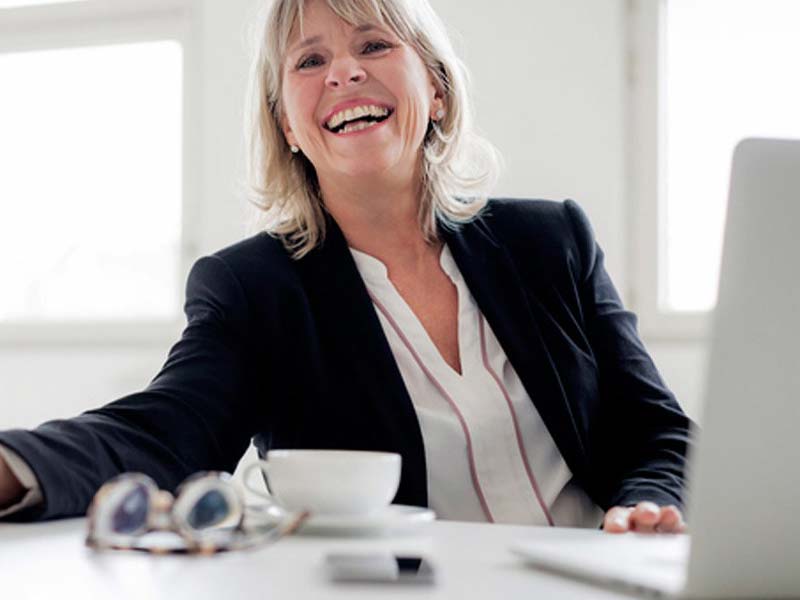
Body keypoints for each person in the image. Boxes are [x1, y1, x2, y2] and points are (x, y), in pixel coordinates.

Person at [0, 0, 693, 533]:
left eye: (373, 44)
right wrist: (10, 466)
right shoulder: (253, 290)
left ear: (438, 88)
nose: (344, 71)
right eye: (309, 61)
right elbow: (163, 433)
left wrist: (644, 509)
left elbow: (658, 430)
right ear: (288, 126)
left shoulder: (552, 241)